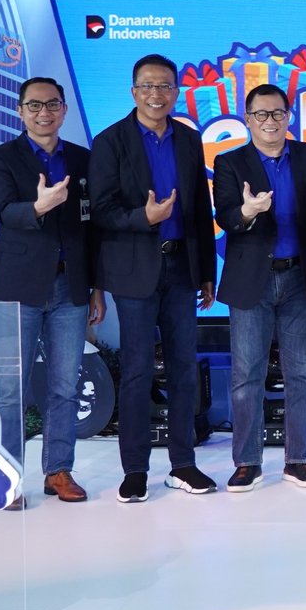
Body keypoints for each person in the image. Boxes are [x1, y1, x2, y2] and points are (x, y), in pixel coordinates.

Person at [90, 54, 218, 503]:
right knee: (138, 371)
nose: (156, 94)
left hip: (182, 268)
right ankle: (135, 470)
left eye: (164, 86)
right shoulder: (110, 141)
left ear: (176, 92)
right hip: (135, 272)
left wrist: (206, 272)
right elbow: (101, 212)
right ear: (133, 92)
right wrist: (142, 217)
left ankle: (183, 464)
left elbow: (200, 211)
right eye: (147, 86)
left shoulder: (189, 139)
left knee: (183, 369)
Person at [0, 76, 106, 505]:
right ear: (20, 111)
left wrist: (96, 287)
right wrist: (39, 206)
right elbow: (5, 213)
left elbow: (92, 229)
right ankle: (7, 478)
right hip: (18, 288)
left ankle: (58, 471)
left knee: (65, 386)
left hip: (71, 287)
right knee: (10, 388)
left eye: (52, 104)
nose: (43, 113)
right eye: (34, 105)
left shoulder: (84, 159)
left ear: (64, 110)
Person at [213, 84, 306, 492]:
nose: (270, 121)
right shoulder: (230, 162)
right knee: (247, 374)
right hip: (252, 280)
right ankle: (247, 462)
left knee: (302, 372)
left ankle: (299, 460)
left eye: (278, 113)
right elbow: (226, 216)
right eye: (261, 114)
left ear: (289, 117)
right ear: (247, 120)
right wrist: (248, 211)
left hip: (301, 276)